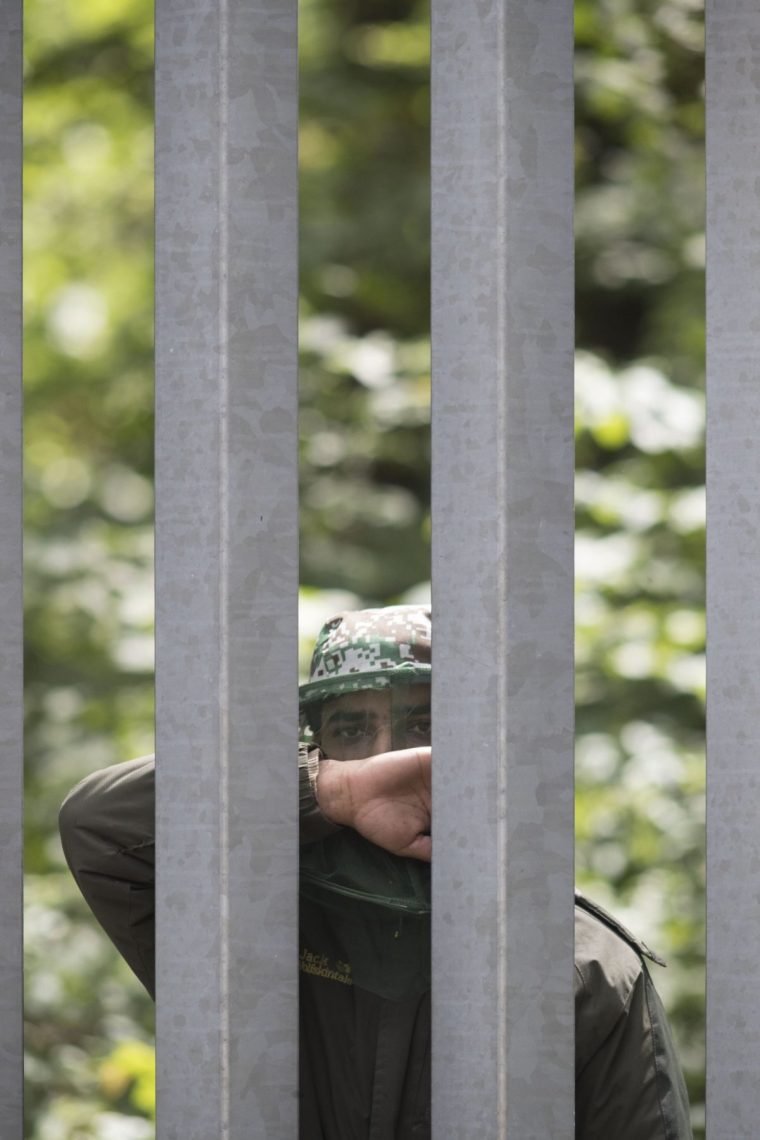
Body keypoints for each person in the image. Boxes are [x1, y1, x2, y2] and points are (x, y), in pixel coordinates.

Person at [59, 604, 693, 1139]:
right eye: (353, 729)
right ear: (318, 745)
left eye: (424, 723)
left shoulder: (578, 961)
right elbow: (97, 825)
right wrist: (330, 791)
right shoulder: (248, 909)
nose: (389, 754)